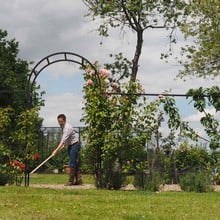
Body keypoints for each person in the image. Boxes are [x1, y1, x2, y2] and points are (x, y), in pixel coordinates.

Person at [52, 114, 83, 186]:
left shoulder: (67, 128)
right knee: (74, 162)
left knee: (72, 162)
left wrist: (55, 151)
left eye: (61, 121)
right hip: (70, 145)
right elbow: (65, 141)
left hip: (75, 145)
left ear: (64, 121)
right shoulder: (63, 127)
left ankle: (70, 181)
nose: (59, 123)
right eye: (58, 121)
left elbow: (62, 141)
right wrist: (61, 147)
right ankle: (79, 181)